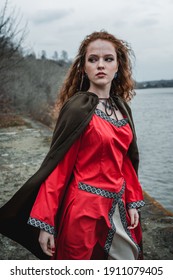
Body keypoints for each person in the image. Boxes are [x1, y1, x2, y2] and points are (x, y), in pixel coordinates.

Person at [0, 30, 145, 260]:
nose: (101, 65)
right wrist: (46, 222)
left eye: (108, 59)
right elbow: (58, 167)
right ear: (83, 67)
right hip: (83, 213)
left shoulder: (122, 108)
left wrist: (132, 201)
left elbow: (124, 161)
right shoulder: (78, 108)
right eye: (92, 59)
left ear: (118, 66)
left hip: (118, 209)